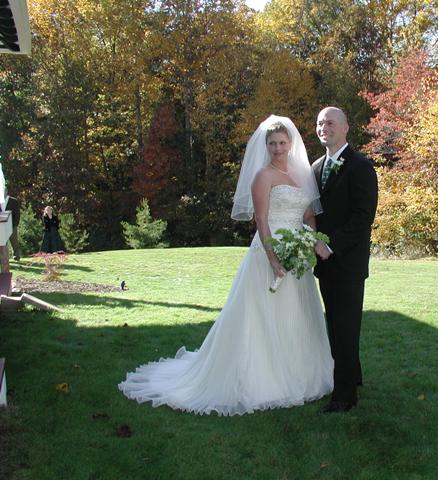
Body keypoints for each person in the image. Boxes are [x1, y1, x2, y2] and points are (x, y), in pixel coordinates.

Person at [118, 115, 334, 416]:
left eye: (282, 142)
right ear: (266, 146)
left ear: (291, 143)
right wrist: (273, 260)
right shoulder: (263, 176)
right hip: (268, 254)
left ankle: (299, 374)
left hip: (297, 257)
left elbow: (308, 216)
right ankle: (264, 380)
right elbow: (261, 221)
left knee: (297, 315)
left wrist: (309, 243)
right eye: (272, 143)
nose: (277, 148)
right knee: (263, 319)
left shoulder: (302, 174)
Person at [312, 107, 378, 413]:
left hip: (348, 263)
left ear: (346, 128)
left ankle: (344, 396)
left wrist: (332, 245)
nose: (325, 127)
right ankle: (355, 377)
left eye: (331, 123)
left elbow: (363, 217)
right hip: (324, 264)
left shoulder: (360, 166)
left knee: (346, 327)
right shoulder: (315, 168)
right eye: (320, 123)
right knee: (336, 327)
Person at [3, 195, 21, 260]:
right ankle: (4, 258)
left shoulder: (13, 200)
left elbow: (17, 213)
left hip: (12, 225)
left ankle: (17, 257)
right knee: (3, 243)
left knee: (14, 242)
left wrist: (15, 224)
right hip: (2, 225)